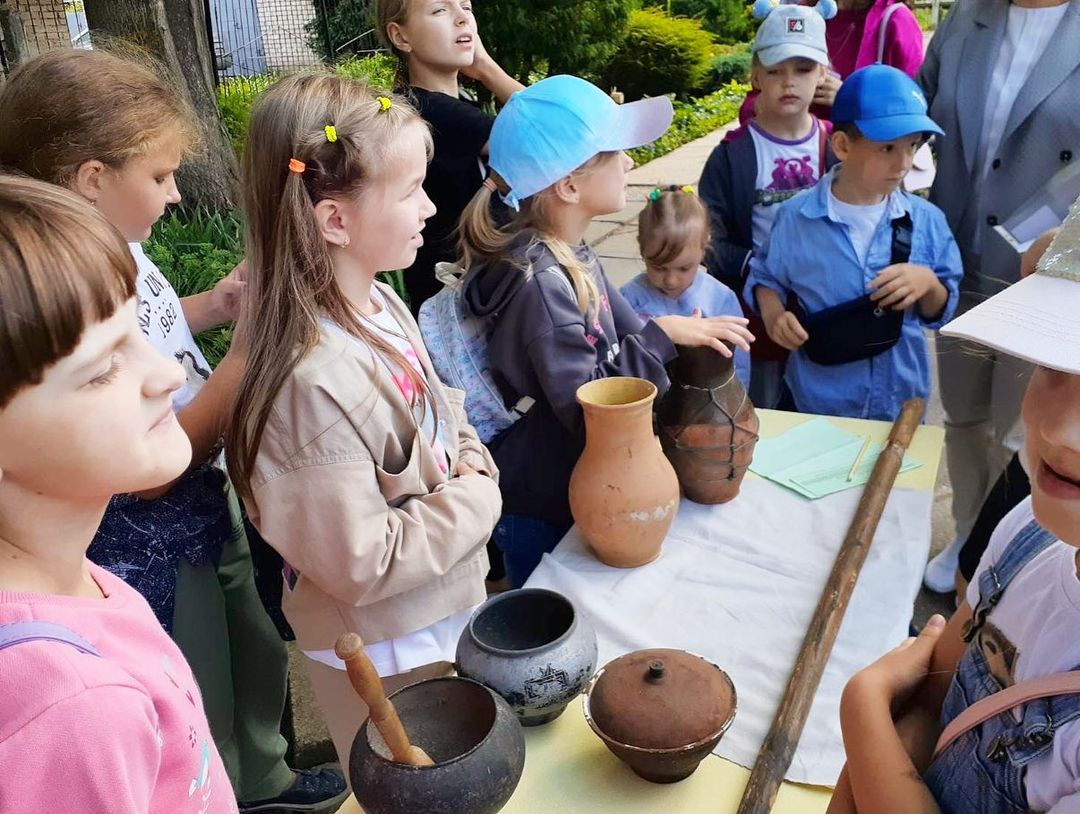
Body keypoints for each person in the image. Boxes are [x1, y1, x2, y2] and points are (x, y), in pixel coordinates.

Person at [0, 50, 346, 812]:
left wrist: (210, 308)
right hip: (157, 523)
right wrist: (245, 360)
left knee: (250, 648)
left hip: (199, 494)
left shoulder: (113, 256)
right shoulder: (68, 703)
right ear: (91, 179)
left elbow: (145, 333)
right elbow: (153, 467)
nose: (177, 190)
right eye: (160, 176)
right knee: (202, 687)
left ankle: (263, 781)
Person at [226, 74, 502, 770]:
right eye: (410, 189)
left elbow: (440, 404)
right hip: (380, 651)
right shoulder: (307, 382)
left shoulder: (380, 300)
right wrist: (480, 496)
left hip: (433, 616)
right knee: (412, 782)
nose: (431, 205)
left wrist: (469, 456)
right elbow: (362, 560)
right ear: (335, 220)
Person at [455, 75, 754, 587]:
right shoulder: (542, 284)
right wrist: (662, 337)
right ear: (569, 185)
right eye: (615, 152)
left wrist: (677, 335)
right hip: (545, 504)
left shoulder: (568, 254)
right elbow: (590, 409)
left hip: (567, 483)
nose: (630, 162)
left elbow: (628, 330)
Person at [829, 208, 1080, 813]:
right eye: (1055, 365)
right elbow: (930, 701)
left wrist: (863, 708)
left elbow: (894, 713)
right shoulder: (1028, 532)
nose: (1065, 430)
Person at [0, 174, 237, 813]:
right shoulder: (67, 704)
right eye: (103, 367)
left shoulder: (76, 579)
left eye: (138, 333)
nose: (165, 372)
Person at [918, 0, 1080, 593]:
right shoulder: (965, 19)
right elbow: (924, 108)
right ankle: (968, 529)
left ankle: (1022, 547)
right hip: (960, 252)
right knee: (963, 416)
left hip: (1050, 273)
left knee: (1027, 430)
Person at [744, 64, 961, 420]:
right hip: (821, 404)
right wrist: (773, 314)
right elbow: (767, 276)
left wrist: (928, 284)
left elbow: (942, 307)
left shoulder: (928, 221)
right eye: (888, 148)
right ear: (843, 145)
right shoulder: (796, 219)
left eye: (913, 145)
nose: (904, 162)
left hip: (901, 408)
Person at [700, 1, 837, 407]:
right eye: (775, 70)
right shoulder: (733, 156)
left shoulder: (840, 146)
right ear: (756, 75)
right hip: (756, 317)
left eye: (803, 68)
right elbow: (709, 240)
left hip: (824, 313)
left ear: (824, 73)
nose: (788, 82)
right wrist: (752, 269)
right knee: (762, 414)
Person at [377, 0, 523, 315]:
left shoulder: (437, 105)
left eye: (467, 6)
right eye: (440, 10)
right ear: (401, 37)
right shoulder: (430, 110)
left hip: (473, 296)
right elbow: (553, 137)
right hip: (465, 312)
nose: (461, 18)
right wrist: (485, 66)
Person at [621, 184, 750, 389]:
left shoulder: (720, 299)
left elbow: (738, 366)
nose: (671, 280)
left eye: (684, 268)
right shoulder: (627, 301)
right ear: (641, 248)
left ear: (704, 247)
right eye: (659, 267)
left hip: (708, 408)